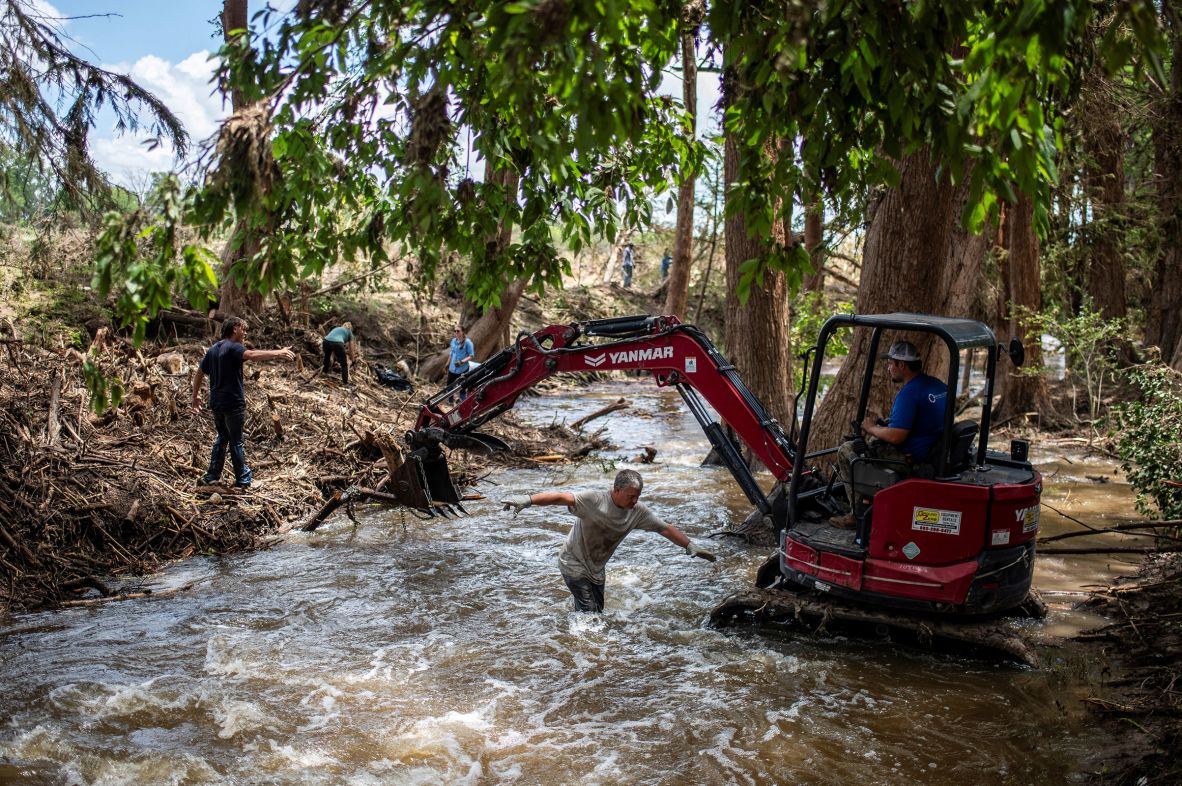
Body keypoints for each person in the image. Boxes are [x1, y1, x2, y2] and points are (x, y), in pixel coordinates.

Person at [501, 469, 716, 613]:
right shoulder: (593, 500)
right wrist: (528, 500)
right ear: (616, 490)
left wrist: (690, 545)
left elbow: (664, 529)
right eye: (631, 496)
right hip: (572, 563)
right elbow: (561, 497)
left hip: (596, 568)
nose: (635, 501)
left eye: (638, 496)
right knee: (590, 616)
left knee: (596, 612)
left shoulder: (637, 512)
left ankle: (572, 632)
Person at [832, 340, 948, 528]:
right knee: (872, 440)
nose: (888, 369)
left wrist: (870, 427)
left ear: (901, 365)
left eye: (890, 364)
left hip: (911, 459)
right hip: (933, 451)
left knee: (847, 451)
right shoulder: (938, 385)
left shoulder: (909, 393)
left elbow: (896, 436)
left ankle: (857, 514)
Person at [190, 317, 296, 489]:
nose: (245, 333)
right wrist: (279, 352)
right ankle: (243, 480)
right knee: (236, 440)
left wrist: (195, 396)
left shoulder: (212, 349)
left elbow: (199, 373)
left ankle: (212, 476)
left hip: (216, 402)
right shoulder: (234, 346)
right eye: (244, 330)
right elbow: (252, 355)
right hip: (233, 402)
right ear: (235, 328)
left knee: (222, 437)